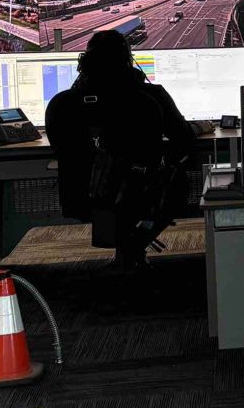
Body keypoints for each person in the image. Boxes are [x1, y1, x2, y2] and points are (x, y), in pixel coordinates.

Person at [43, 29, 195, 268]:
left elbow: (63, 150)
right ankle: (133, 249)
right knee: (177, 178)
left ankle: (127, 253)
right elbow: (185, 142)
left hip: (84, 194)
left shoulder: (64, 104)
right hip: (141, 193)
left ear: (85, 62)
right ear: (128, 59)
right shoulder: (151, 98)